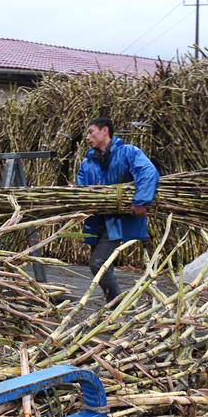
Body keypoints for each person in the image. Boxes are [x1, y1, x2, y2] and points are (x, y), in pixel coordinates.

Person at [76, 117, 159, 302]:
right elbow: (79, 192)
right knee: (104, 265)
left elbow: (148, 172)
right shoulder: (87, 163)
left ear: (105, 131)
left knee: (98, 264)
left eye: (91, 132)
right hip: (96, 221)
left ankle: (116, 307)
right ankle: (113, 307)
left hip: (119, 222)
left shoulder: (128, 153)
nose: (87, 137)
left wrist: (141, 201)